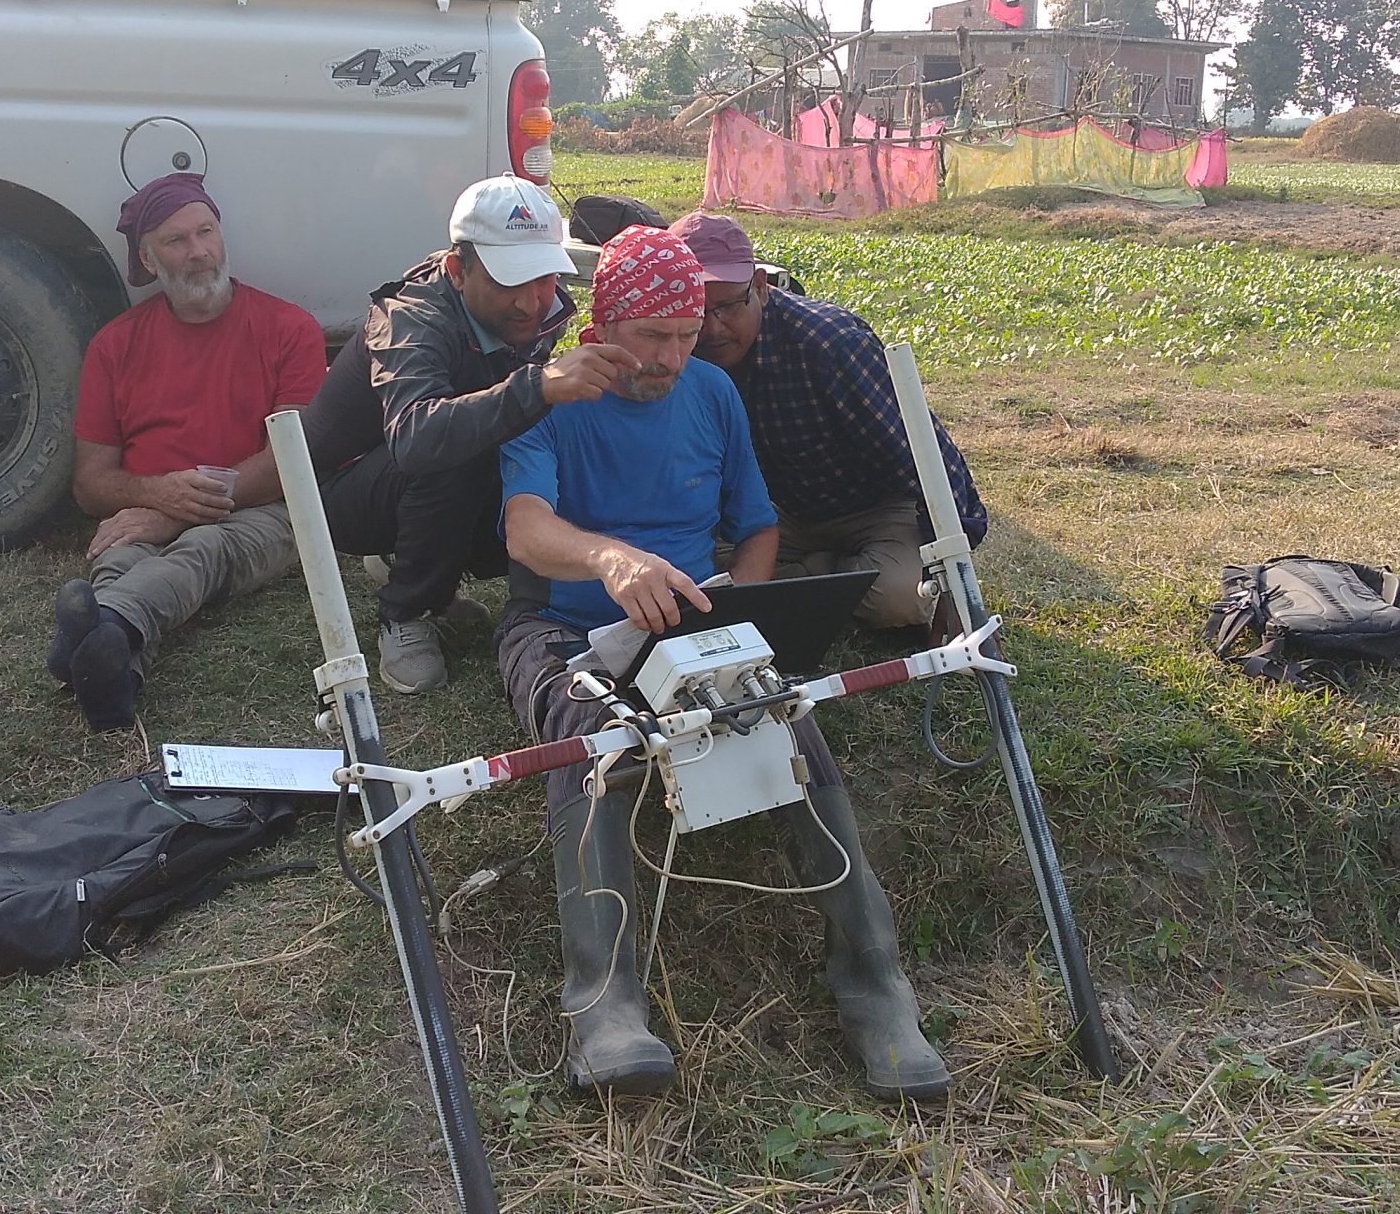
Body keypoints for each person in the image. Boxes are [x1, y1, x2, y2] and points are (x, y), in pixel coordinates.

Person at [497, 227, 950, 1102]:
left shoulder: (711, 393)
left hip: (690, 611)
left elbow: (758, 524)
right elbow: (526, 528)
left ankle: (877, 989)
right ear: (602, 323)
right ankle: (605, 1007)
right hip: (560, 622)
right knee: (594, 740)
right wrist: (610, 561)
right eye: (652, 337)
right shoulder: (548, 398)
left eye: (685, 335)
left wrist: (736, 610)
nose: (672, 356)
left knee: (780, 714)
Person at [299, 176, 638, 694]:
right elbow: (416, 436)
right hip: (337, 493)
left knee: (531, 442)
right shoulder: (409, 319)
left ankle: (430, 567)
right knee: (458, 447)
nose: (531, 303)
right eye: (510, 281)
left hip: (404, 470)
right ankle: (406, 608)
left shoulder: (535, 308)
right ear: (458, 270)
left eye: (544, 278)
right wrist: (540, 385)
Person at [47, 174, 326, 733]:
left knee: (205, 546)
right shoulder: (115, 345)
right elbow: (91, 482)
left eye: (207, 232)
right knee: (121, 557)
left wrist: (175, 509)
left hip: (260, 511)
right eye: (177, 241)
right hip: (150, 509)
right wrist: (153, 495)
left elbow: (292, 461)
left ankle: (110, 628)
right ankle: (114, 675)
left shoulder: (290, 328)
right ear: (148, 260)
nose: (199, 252)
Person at [676, 212, 990, 634]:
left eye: (729, 306)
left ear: (760, 290)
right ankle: (830, 575)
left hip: (874, 509)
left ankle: (810, 579)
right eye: (696, 309)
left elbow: (923, 456)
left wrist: (956, 576)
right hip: (775, 513)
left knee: (899, 599)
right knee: (689, 576)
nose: (712, 328)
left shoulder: (830, 343)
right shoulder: (672, 348)